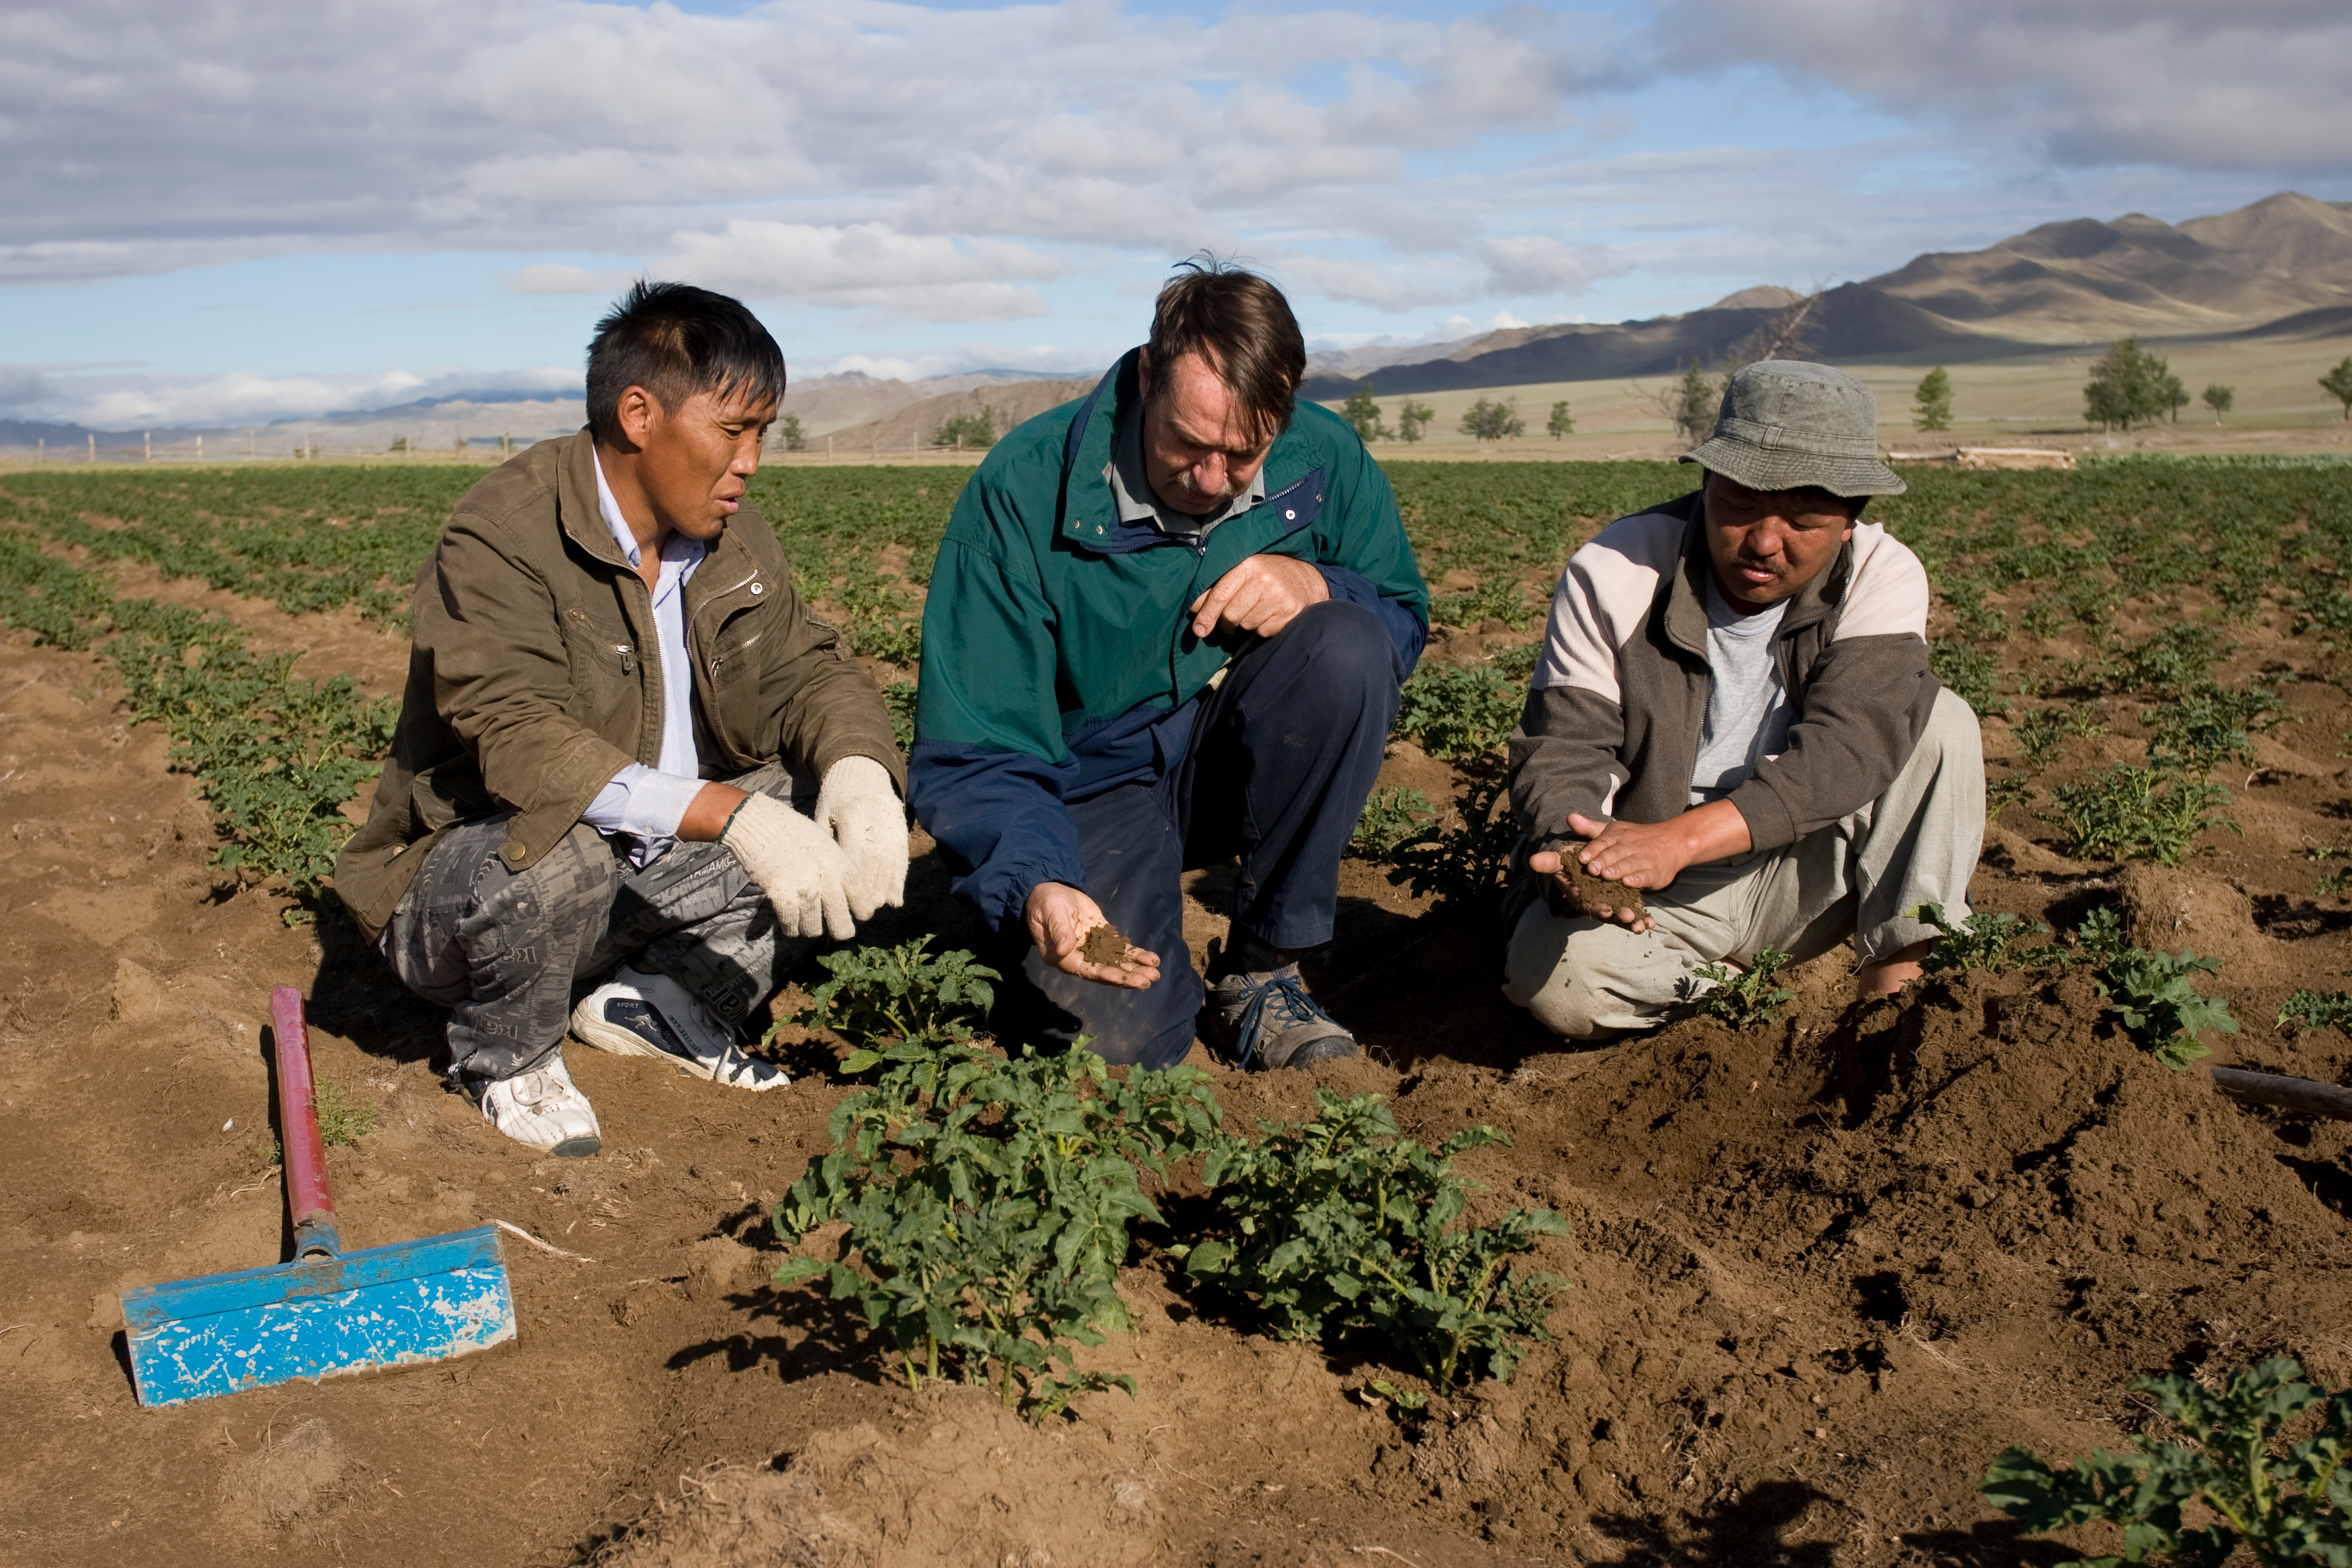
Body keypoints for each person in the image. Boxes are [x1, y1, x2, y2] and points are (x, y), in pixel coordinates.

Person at [334, 282, 908, 1155]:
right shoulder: (501, 538)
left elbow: (809, 670)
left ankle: (658, 1002)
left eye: (764, 433)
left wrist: (862, 777)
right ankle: (510, 1060)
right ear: (639, 414)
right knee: (561, 842)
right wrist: (730, 815)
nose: (751, 461)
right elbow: (516, 737)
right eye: (732, 430)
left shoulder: (731, 538)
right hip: (471, 894)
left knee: (823, 787)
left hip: (640, 878)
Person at [910, 260, 1428, 1071]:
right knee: (1120, 1045)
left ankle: (1261, 972)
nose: (1213, 480)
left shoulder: (1323, 456)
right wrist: (1041, 881)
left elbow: (1401, 614)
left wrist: (1320, 581)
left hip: (1230, 759)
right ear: (1149, 373)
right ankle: (1022, 915)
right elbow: (980, 746)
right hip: (1088, 783)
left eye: (1245, 453)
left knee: (1348, 644)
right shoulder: (1024, 488)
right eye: (1188, 442)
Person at [1502, 358, 1983, 1038]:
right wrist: (1585, 864)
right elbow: (1563, 748)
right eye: (1738, 506)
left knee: (1940, 722)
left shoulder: (1882, 573)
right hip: (1655, 891)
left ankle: (1893, 1011)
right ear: (1705, 486)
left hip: (1799, 867)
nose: (1763, 542)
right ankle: (1739, 997)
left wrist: (1682, 838)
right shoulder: (1618, 569)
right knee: (1560, 982)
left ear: (1849, 520)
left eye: (1802, 521)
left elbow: (1851, 748)